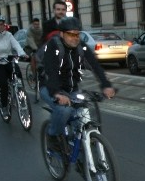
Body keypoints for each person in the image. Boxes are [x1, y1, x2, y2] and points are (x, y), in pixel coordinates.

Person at [38, 17, 115, 151]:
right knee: (64, 110)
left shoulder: (81, 47)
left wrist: (106, 85)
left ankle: (79, 147)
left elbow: (95, 66)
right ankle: (52, 136)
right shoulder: (53, 46)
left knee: (86, 110)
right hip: (49, 87)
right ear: (62, 34)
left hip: (72, 89)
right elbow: (51, 73)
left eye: (77, 34)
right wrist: (57, 93)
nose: (75, 38)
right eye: (71, 34)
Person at [0, 14, 27, 109]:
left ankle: (20, 96)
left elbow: (16, 45)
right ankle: (4, 105)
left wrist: (22, 53)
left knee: (18, 76)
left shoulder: (9, 35)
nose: (0, 26)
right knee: (3, 83)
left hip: (8, 60)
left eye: (2, 24)